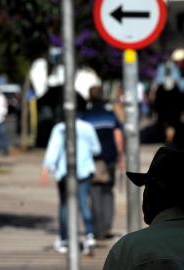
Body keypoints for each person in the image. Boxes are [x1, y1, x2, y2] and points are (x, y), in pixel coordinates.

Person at [40, 109, 101, 254]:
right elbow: (97, 149)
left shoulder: (60, 128)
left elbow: (53, 149)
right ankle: (89, 236)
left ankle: (63, 238)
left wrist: (46, 168)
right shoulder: (87, 127)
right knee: (83, 204)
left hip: (64, 172)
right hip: (84, 171)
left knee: (64, 205)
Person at [81, 85, 124, 239]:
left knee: (94, 193)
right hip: (109, 159)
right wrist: (120, 157)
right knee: (108, 193)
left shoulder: (84, 117)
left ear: (90, 98)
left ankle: (97, 228)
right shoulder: (110, 115)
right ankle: (106, 227)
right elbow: (118, 136)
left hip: (91, 161)